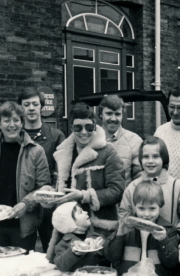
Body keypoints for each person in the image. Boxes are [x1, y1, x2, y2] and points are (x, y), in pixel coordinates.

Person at [45, 102, 125, 261]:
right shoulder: (63, 152)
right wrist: (50, 194)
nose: (83, 132)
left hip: (99, 230)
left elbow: (117, 191)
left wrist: (84, 196)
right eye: (78, 127)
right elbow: (63, 188)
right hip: (69, 230)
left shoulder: (107, 152)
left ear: (95, 126)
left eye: (89, 127)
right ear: (71, 128)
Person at [0, 101, 53, 249]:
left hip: (23, 227)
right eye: (6, 120)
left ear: (22, 123)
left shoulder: (36, 151)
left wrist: (26, 203)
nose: (12, 125)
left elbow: (45, 188)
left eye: (16, 120)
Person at [18, 87, 66, 252]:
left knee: (51, 252)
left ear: (41, 107)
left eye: (35, 104)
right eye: (26, 104)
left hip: (48, 206)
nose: (31, 108)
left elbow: (63, 171)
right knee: (23, 253)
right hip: (23, 205)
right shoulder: (14, 136)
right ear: (21, 108)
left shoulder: (56, 136)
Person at [107, 181, 180, 276]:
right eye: (141, 208)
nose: (146, 214)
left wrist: (164, 240)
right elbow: (111, 257)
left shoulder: (168, 230)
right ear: (134, 206)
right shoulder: (125, 227)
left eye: (152, 209)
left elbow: (172, 263)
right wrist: (119, 235)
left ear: (160, 206)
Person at [119, 136, 180, 230]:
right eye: (146, 157)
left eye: (155, 156)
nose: (150, 161)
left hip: (169, 241)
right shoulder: (132, 187)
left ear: (163, 158)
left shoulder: (177, 186)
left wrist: (178, 233)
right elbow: (124, 214)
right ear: (140, 160)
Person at [50, 201, 112, 272]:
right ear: (70, 222)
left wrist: (104, 245)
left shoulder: (96, 236)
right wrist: (73, 253)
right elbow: (60, 265)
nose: (86, 212)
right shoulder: (64, 244)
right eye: (80, 212)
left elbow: (109, 256)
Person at [98, 94, 143, 186]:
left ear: (122, 115)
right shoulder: (91, 138)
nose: (113, 119)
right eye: (109, 113)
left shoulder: (134, 140)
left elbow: (140, 176)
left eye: (117, 114)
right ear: (101, 114)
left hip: (124, 198)